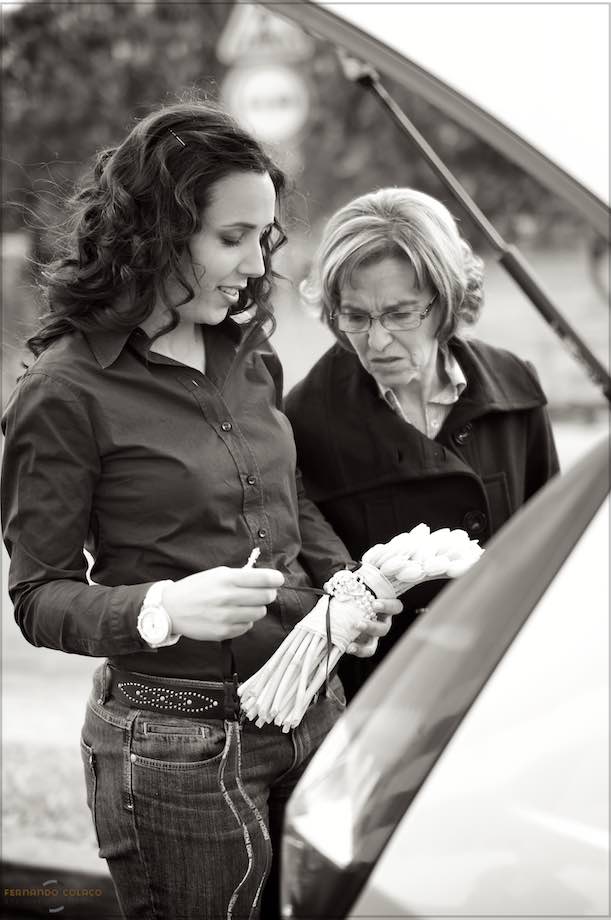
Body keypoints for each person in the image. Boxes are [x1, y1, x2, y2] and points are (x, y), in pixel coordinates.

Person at [0, 103, 401, 920]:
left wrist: (347, 590)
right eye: (232, 238)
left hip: (313, 716)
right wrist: (162, 608)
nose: (256, 265)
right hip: (174, 755)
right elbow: (37, 596)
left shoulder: (249, 354)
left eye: (263, 238)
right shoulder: (64, 391)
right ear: (155, 233)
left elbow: (288, 501)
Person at [285, 187, 560, 703]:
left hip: (504, 684)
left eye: (400, 313)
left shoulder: (515, 389)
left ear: (445, 301)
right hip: (385, 704)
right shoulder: (304, 422)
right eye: (356, 316)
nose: (378, 341)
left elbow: (549, 550)